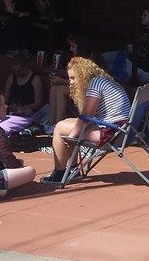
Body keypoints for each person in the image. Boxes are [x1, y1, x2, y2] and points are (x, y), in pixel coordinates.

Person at [40, 57, 132, 186]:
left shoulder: (95, 84)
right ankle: (72, 169)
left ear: (83, 75)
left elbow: (86, 116)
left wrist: (71, 136)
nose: (70, 82)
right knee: (68, 121)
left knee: (60, 127)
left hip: (109, 133)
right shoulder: (104, 81)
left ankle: (59, 173)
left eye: (73, 78)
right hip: (123, 130)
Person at [4, 51, 45, 119]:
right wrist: (8, 107)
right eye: (14, 71)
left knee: (28, 112)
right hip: (12, 110)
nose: (16, 73)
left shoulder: (35, 79)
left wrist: (22, 108)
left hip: (28, 110)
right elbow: (5, 99)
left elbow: (38, 103)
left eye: (19, 71)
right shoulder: (11, 78)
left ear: (25, 67)